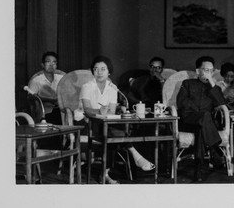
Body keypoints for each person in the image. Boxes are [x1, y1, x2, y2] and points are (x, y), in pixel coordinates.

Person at [78, 56, 155, 184]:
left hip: (105, 123)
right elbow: (87, 110)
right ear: (92, 72)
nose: (99, 72)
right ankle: (134, 154)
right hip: (85, 122)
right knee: (111, 132)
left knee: (111, 132)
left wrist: (107, 112)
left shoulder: (112, 87)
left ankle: (105, 174)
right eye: (96, 69)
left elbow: (112, 111)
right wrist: (99, 111)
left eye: (103, 69)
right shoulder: (87, 86)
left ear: (109, 71)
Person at [176, 56, 227, 182]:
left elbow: (221, 103)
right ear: (198, 71)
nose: (209, 73)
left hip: (204, 124)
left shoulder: (215, 88)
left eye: (211, 70)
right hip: (188, 120)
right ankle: (215, 149)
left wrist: (213, 84)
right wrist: (198, 112)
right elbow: (181, 103)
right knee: (204, 116)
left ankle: (198, 170)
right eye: (205, 70)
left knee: (201, 127)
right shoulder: (187, 84)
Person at [27, 51, 64, 124]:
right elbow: (30, 97)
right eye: (48, 62)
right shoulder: (36, 80)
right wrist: (49, 100)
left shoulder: (62, 78)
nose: (51, 65)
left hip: (61, 111)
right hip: (45, 113)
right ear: (42, 65)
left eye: (54, 62)